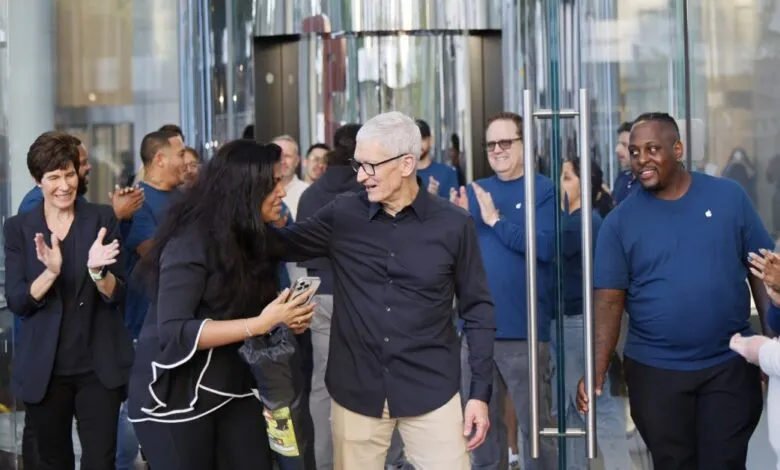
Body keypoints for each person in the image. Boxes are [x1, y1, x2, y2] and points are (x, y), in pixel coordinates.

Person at [272, 111, 494, 469]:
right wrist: (241, 204)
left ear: (407, 163)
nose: (360, 176)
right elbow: (279, 245)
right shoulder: (343, 214)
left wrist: (479, 394)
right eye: (358, 165)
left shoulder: (454, 225)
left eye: (370, 166)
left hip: (432, 391)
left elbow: (478, 310)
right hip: (356, 392)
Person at [577, 112, 773, 469]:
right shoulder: (619, 222)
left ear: (677, 148)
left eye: (653, 149)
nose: (641, 160)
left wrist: (772, 345)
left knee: (724, 463)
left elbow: (761, 271)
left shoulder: (729, 197)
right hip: (655, 371)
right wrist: (598, 368)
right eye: (635, 152)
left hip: (728, 364)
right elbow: (608, 302)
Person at [126, 140, 316, 470]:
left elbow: (250, 307)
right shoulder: (190, 241)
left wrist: (283, 318)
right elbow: (174, 331)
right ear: (245, 190)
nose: (282, 193)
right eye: (273, 185)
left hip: (236, 385)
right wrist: (261, 323)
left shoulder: (252, 236)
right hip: (175, 396)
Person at [4, 131, 134, 469]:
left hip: (98, 367)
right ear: (38, 180)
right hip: (45, 372)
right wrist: (50, 273)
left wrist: (96, 272)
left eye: (69, 174)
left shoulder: (102, 220)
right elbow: (18, 300)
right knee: (52, 460)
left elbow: (118, 293)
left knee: (100, 460)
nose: (64, 185)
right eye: (53, 177)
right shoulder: (20, 227)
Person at [451, 111, 557, 470]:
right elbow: (456, 259)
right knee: (479, 435)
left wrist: (495, 220)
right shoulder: (476, 190)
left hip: (524, 332)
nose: (496, 150)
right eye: (491, 144)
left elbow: (545, 248)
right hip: (477, 332)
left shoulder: (544, 189)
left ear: (526, 145)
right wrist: (459, 222)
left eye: (505, 142)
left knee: (536, 434)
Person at [555, 157, 631, 470]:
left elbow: (545, 251)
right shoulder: (584, 220)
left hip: (577, 322)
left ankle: (619, 465)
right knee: (576, 406)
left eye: (567, 177)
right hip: (572, 321)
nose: (560, 183)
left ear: (585, 185)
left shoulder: (579, 224)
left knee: (594, 402)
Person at [415, 119, 458, 199]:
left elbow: (455, 209)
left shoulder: (448, 173)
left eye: (422, 139)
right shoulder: (403, 175)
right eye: (414, 140)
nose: (418, 144)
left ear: (431, 140)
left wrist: (435, 199)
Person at [612, 121, 635, 205]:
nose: (617, 150)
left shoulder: (649, 181)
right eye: (618, 144)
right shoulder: (622, 178)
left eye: (624, 145)